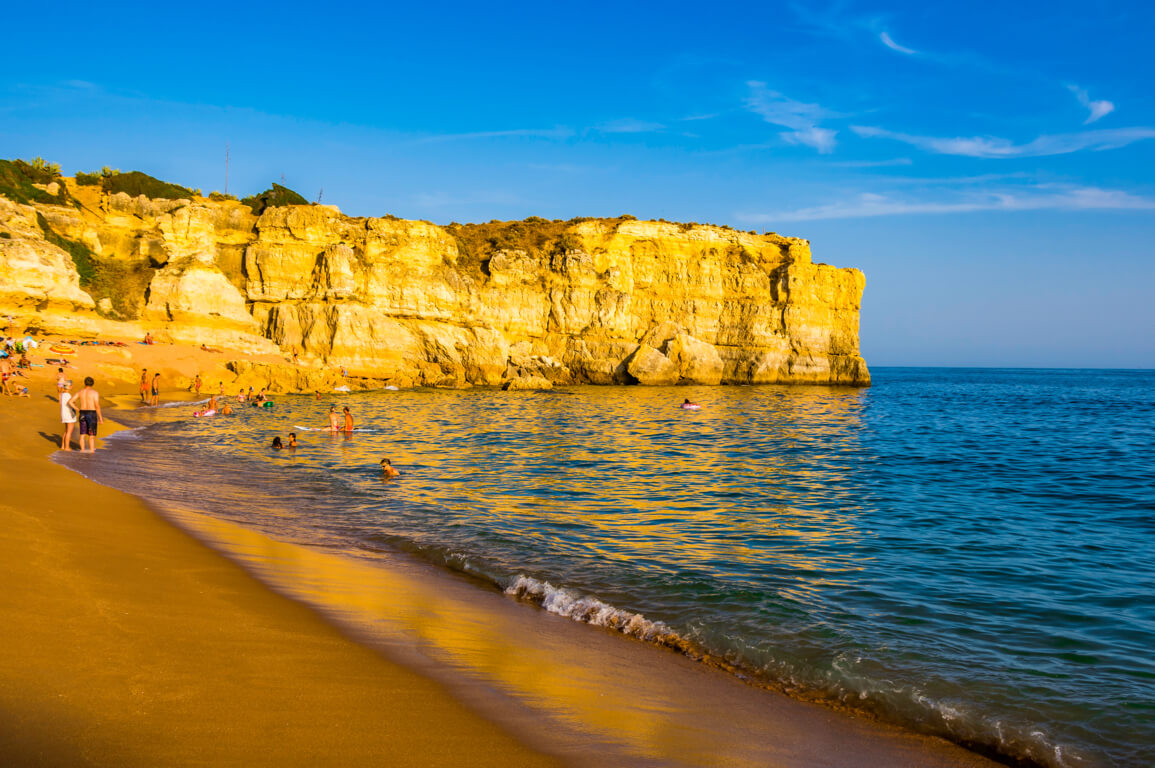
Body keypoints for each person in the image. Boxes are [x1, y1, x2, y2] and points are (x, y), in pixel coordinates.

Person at [74, 376, 103, 453]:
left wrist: (78, 409)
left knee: (82, 434)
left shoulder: (80, 392)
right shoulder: (95, 393)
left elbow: (70, 401)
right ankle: (91, 451)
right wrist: (100, 417)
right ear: (92, 384)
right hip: (91, 413)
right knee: (91, 435)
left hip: (82, 413)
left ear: (85, 383)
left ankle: (82, 450)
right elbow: (97, 405)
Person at [60, 380, 77, 451]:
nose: (72, 387)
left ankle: (63, 446)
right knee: (69, 432)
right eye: (71, 385)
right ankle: (67, 447)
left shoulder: (62, 394)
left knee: (66, 431)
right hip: (69, 415)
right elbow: (71, 403)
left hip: (64, 414)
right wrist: (77, 408)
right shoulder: (68, 395)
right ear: (69, 387)